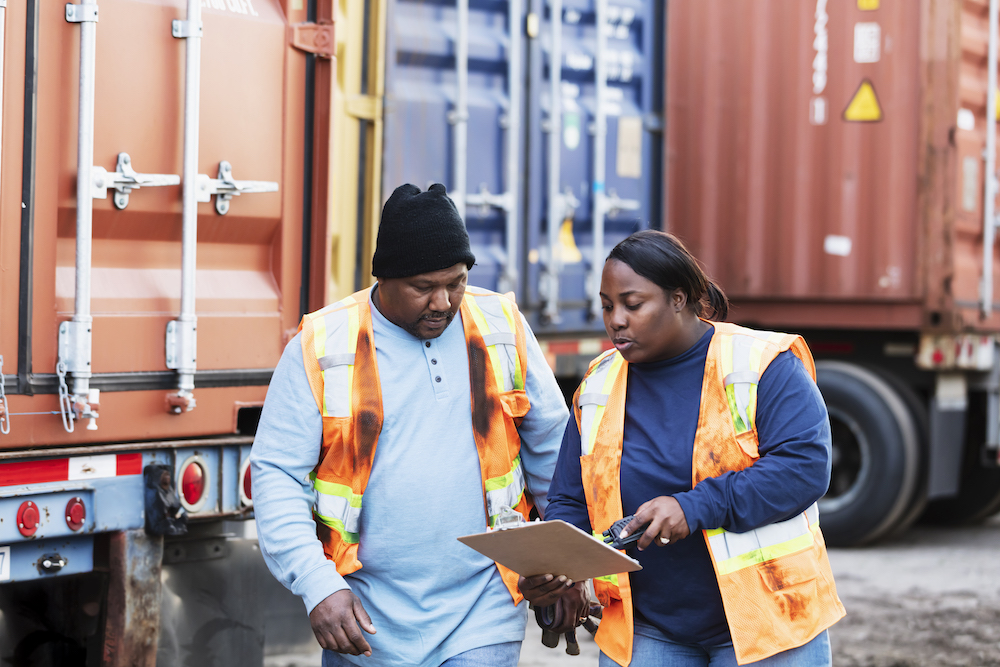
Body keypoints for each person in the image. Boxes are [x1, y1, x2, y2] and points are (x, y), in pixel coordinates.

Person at [250, 183, 569, 666]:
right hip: (364, 617)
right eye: (424, 287)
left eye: (456, 282)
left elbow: (553, 449)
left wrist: (567, 565)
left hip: (483, 607)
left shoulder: (501, 324)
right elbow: (277, 474)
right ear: (385, 279)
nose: (442, 301)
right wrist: (318, 586)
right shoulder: (322, 344)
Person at [519, 230, 845, 666]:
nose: (616, 319)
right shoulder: (598, 384)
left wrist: (693, 507)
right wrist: (560, 572)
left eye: (632, 305)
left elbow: (804, 468)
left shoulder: (761, 364)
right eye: (607, 305)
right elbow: (570, 498)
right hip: (650, 629)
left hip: (769, 621)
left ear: (679, 298)